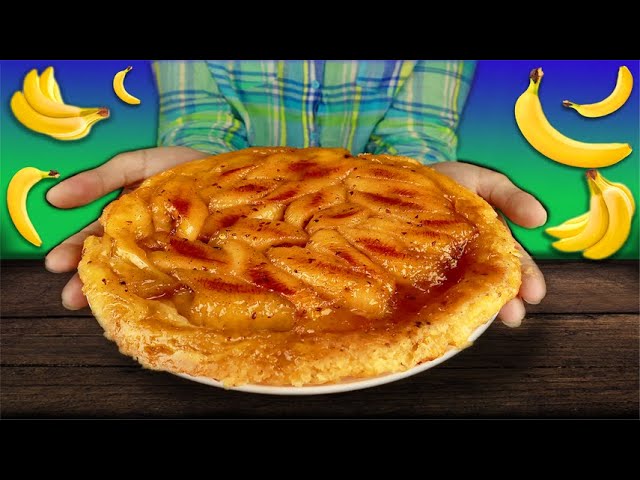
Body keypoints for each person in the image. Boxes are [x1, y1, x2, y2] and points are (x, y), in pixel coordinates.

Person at [44, 60, 546, 328]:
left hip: (382, 236)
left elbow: (414, 137)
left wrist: (437, 193)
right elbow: (202, 122)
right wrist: (188, 180)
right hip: (221, 223)